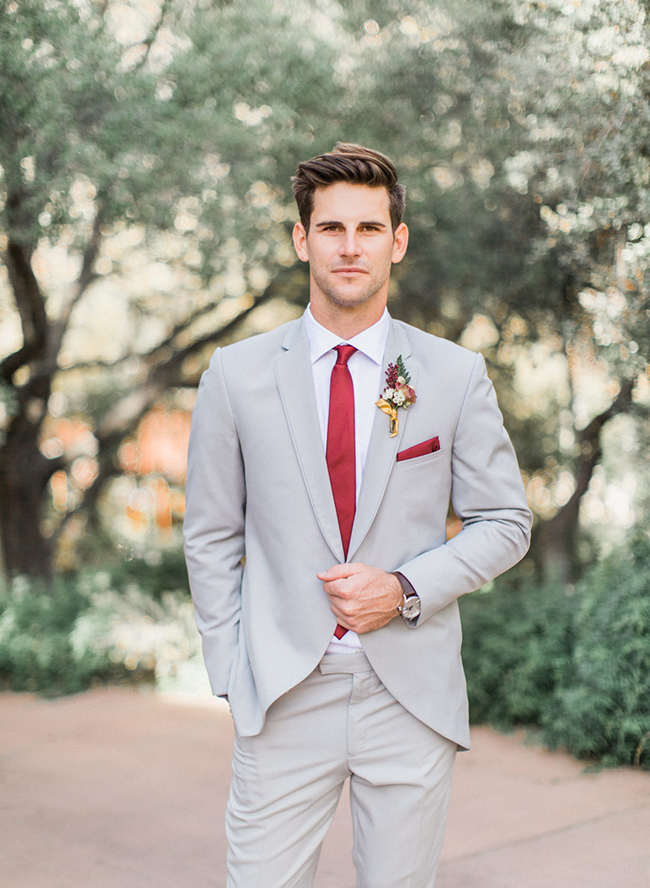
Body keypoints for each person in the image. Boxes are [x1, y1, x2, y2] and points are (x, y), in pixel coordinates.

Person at [183, 143, 532, 887]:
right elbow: (211, 533)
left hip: (409, 696)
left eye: (369, 229)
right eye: (332, 228)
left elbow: (505, 519)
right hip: (282, 695)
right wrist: (231, 669)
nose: (350, 247)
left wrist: (405, 588)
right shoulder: (235, 376)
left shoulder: (451, 374)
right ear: (301, 239)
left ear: (397, 242)